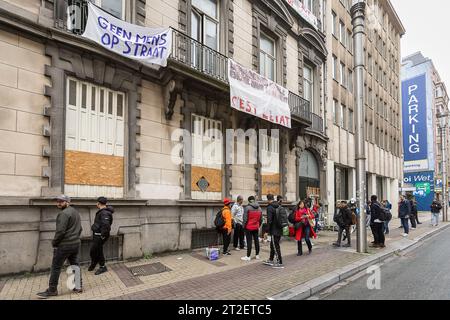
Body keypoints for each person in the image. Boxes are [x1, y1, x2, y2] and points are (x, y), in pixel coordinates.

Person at [37, 195, 82, 298]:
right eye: (57, 201)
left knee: (56, 267)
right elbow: (80, 229)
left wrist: (55, 242)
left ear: (67, 202)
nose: (58, 203)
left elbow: (60, 231)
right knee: (75, 265)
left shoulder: (63, 214)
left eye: (61, 202)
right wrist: (75, 237)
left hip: (65, 245)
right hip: (75, 243)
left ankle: (52, 290)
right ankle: (78, 286)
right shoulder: (75, 212)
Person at [88, 197, 114, 275]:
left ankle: (102, 267)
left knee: (96, 250)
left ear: (98, 203)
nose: (96, 204)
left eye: (97, 203)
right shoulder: (102, 212)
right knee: (94, 250)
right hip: (97, 235)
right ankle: (95, 262)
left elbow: (106, 225)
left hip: (100, 235)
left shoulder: (104, 213)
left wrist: (102, 236)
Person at [263, 194, 283, 267]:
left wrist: (266, 231)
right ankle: (271, 260)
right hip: (279, 228)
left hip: (274, 230)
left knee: (275, 246)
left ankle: (279, 262)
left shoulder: (270, 207)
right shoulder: (278, 205)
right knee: (273, 245)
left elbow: (269, 221)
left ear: (268, 199)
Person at [241, 196, 263, 261]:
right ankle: (257, 255)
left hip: (248, 227)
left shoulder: (247, 208)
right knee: (256, 241)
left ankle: (248, 256)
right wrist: (258, 225)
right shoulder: (259, 208)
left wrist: (243, 226)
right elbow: (261, 219)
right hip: (256, 227)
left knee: (249, 241)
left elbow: (245, 219)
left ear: (249, 201)